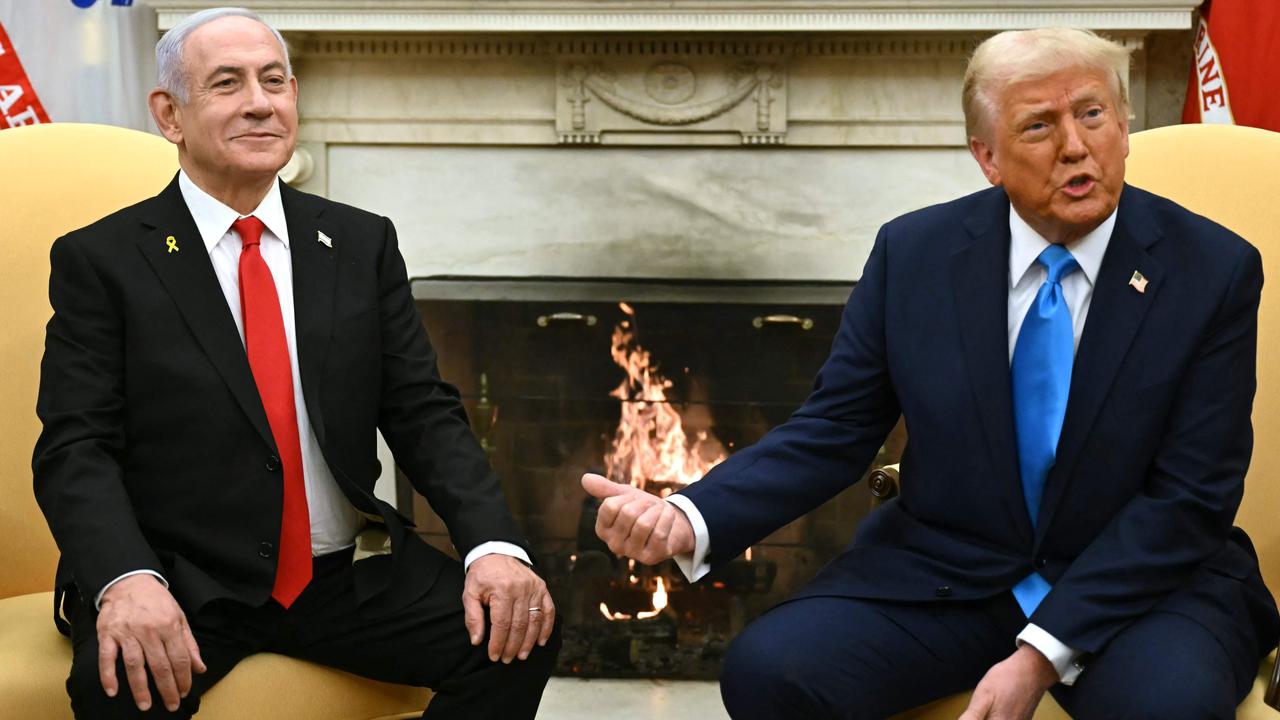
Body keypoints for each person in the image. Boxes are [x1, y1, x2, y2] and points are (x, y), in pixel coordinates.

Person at [584, 27, 1280, 719]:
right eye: (1039, 125)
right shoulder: (915, 254)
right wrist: (690, 516)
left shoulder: (1210, 270)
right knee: (772, 670)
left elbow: (1189, 498)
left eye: (1092, 114)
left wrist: (1038, 655)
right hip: (952, 576)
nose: (1076, 145)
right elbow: (834, 430)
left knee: (1171, 709)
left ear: (1125, 126)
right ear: (987, 157)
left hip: (1145, 588)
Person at [33, 8, 558, 719]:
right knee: (118, 690)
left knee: (517, 637)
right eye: (227, 83)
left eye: (274, 80)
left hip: (345, 576)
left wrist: (492, 545)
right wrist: (127, 578)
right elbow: (75, 446)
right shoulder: (104, 260)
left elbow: (421, 410)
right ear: (170, 114)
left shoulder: (360, 243)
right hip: (182, 578)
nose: (259, 102)